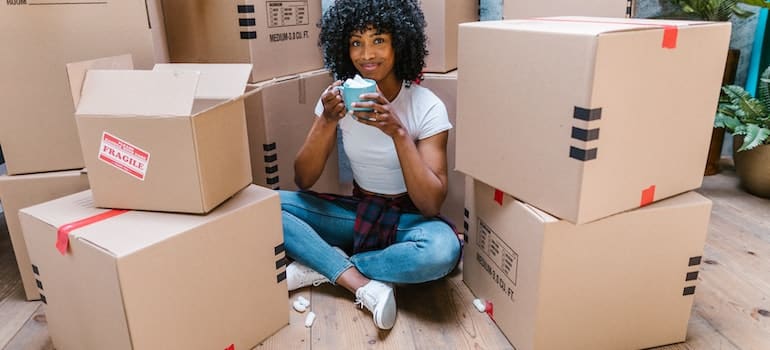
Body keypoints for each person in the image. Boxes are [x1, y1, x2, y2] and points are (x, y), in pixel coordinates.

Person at [279, 0, 461, 330]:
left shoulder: (426, 106)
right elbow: (303, 179)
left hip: (409, 221)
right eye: (356, 42)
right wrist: (327, 121)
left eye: (378, 40)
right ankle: (360, 282)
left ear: (399, 43)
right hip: (359, 213)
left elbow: (432, 203)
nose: (366, 55)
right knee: (271, 207)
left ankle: (326, 264)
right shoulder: (337, 99)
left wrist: (398, 132)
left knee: (442, 251)